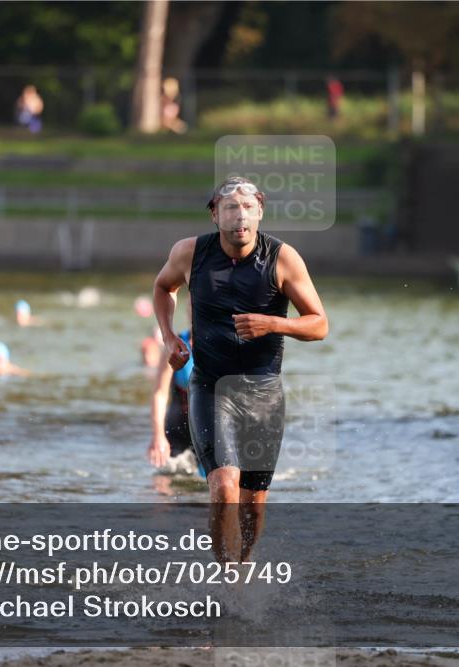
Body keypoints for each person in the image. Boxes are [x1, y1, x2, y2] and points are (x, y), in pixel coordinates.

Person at [152, 175, 328, 562]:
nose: (240, 216)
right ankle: (227, 579)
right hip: (211, 387)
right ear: (215, 215)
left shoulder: (282, 258)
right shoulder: (190, 253)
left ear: (260, 211)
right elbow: (164, 288)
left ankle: (243, 567)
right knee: (223, 486)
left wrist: (274, 324)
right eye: (231, 208)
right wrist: (169, 337)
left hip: (263, 394)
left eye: (248, 207)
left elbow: (319, 325)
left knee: (253, 503)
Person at [147, 328, 203, 477]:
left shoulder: (223, 340)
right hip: (178, 425)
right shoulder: (176, 343)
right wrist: (158, 435)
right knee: (163, 480)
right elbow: (160, 393)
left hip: (210, 426)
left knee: (215, 484)